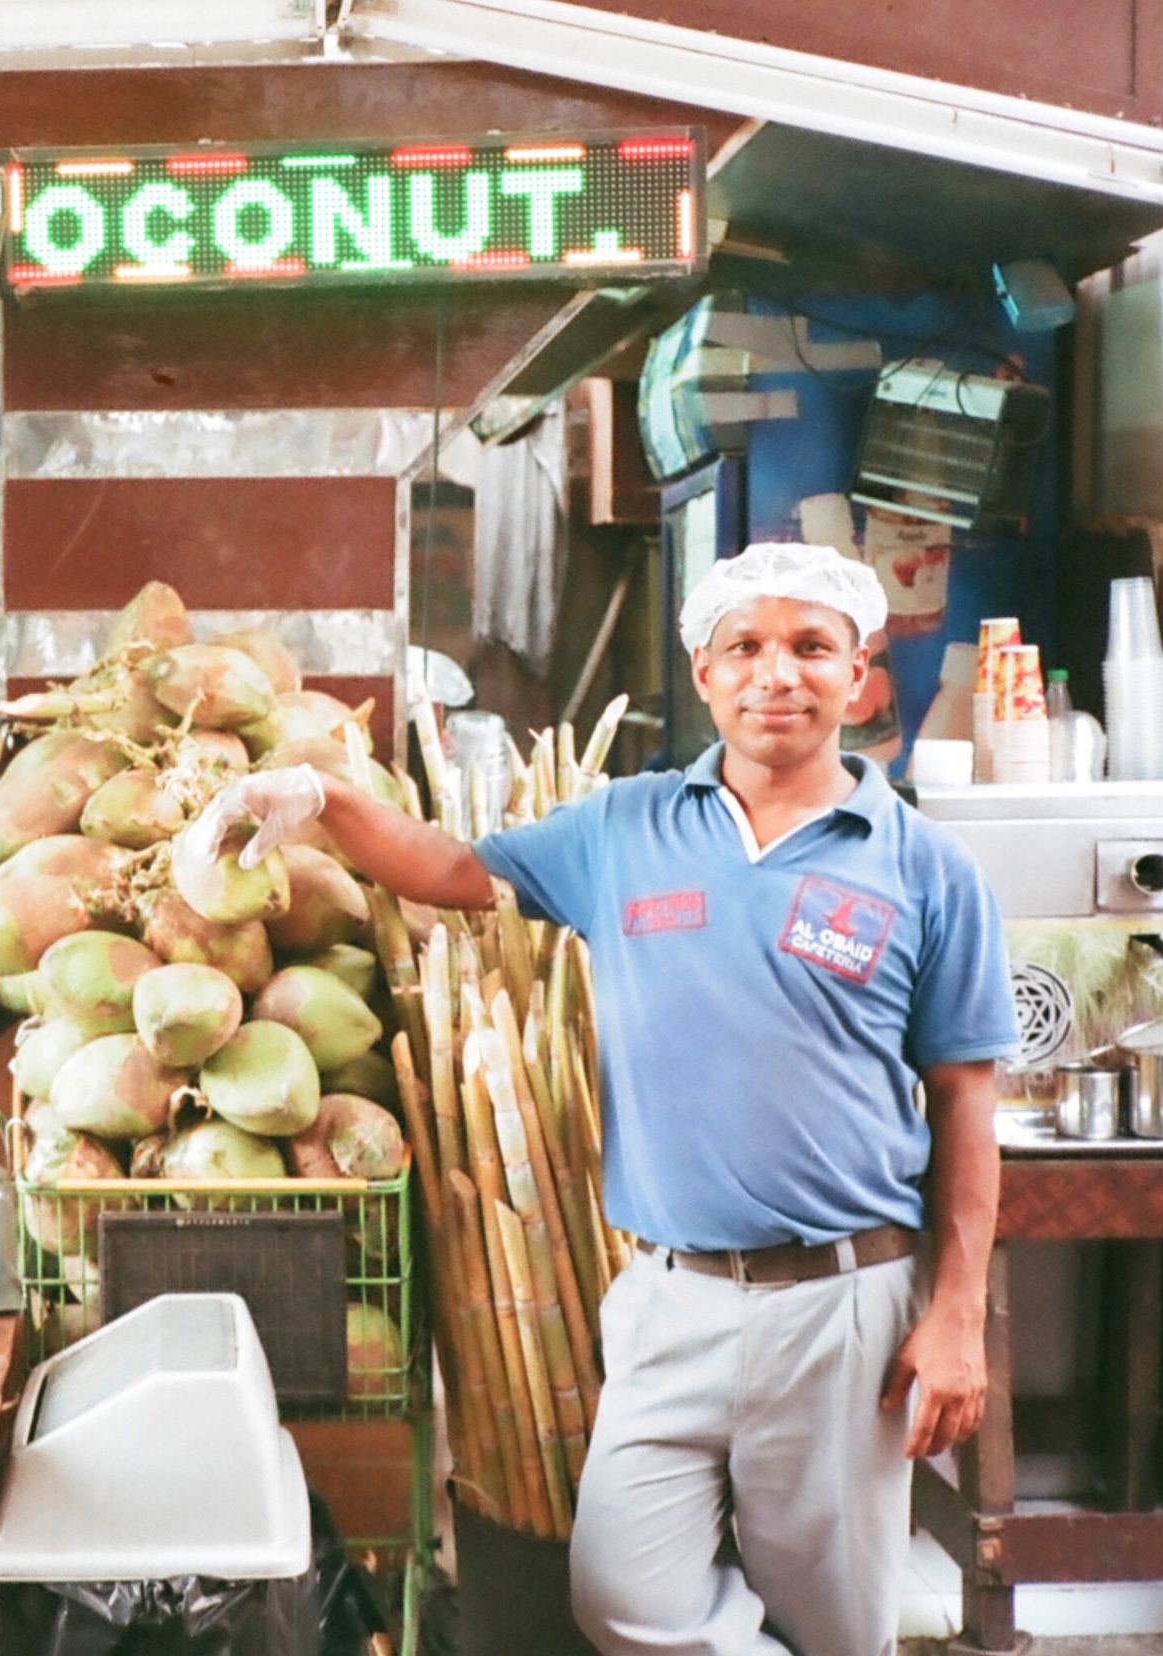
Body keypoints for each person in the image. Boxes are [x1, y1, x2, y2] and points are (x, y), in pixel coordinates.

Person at [194, 542, 1016, 1656]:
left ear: (860, 674)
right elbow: (450, 871)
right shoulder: (625, 829)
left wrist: (956, 1313)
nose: (778, 673)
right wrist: (326, 796)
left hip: (842, 1300)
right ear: (704, 671)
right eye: (747, 648)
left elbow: (967, 1098)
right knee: (624, 1595)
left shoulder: (923, 868)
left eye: (811, 648)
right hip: (668, 1293)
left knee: (838, 1621)